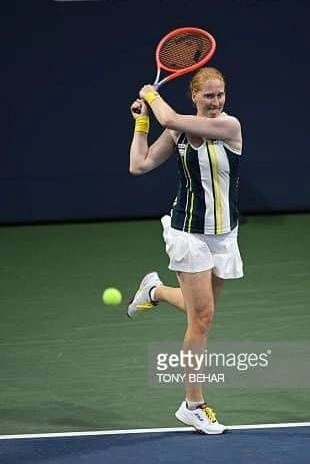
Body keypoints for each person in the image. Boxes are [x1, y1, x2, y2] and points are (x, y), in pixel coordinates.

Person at [127, 67, 243, 435]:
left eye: (220, 94)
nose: (216, 102)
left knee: (203, 310)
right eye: (208, 95)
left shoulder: (230, 126)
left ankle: (154, 290)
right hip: (187, 233)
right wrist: (142, 123)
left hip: (224, 235)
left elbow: (171, 115)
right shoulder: (176, 129)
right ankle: (193, 405)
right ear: (194, 95)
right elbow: (139, 165)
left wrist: (151, 94)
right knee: (202, 319)